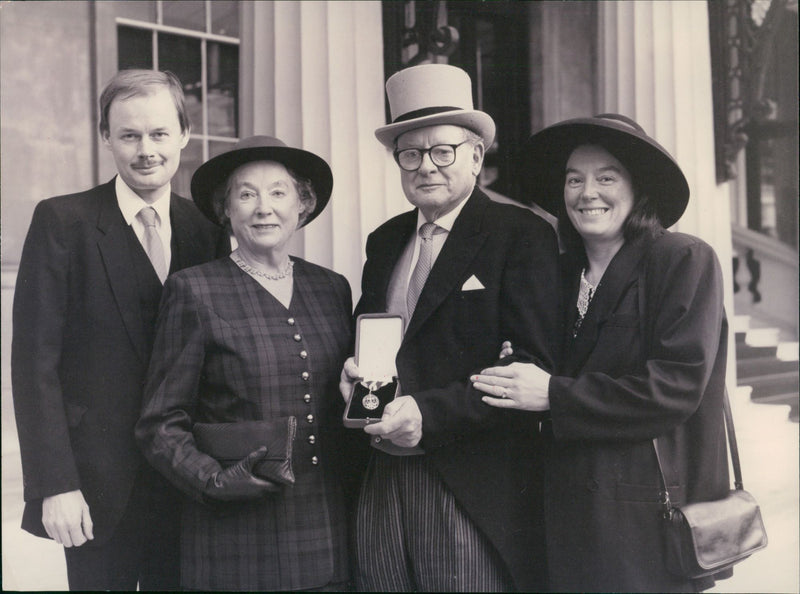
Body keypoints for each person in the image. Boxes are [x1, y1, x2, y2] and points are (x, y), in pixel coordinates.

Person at [473, 114, 731, 592]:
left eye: (606, 177)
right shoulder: (558, 270)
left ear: (639, 189)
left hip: (645, 517)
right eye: (574, 179)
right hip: (560, 514)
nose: (586, 192)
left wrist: (553, 394)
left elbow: (675, 387)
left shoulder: (682, 260)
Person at [339, 63, 560, 592]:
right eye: (410, 153)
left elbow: (531, 365)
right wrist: (351, 378)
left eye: (443, 151)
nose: (426, 167)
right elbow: (374, 339)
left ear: (477, 156)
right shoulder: (386, 240)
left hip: (469, 479)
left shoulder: (521, 234)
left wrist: (428, 414)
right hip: (381, 470)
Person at [10, 69, 225, 590]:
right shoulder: (63, 222)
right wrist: (54, 485)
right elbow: (33, 365)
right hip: (95, 489)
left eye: (158, 134)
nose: (145, 150)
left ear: (183, 135)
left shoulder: (207, 228)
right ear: (106, 136)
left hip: (188, 487)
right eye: (129, 135)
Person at [135, 135, 357, 591]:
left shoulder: (332, 288)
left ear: (303, 206)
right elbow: (159, 423)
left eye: (278, 192)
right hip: (235, 533)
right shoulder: (194, 290)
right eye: (246, 194)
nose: (263, 208)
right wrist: (213, 480)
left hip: (328, 525)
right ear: (227, 211)